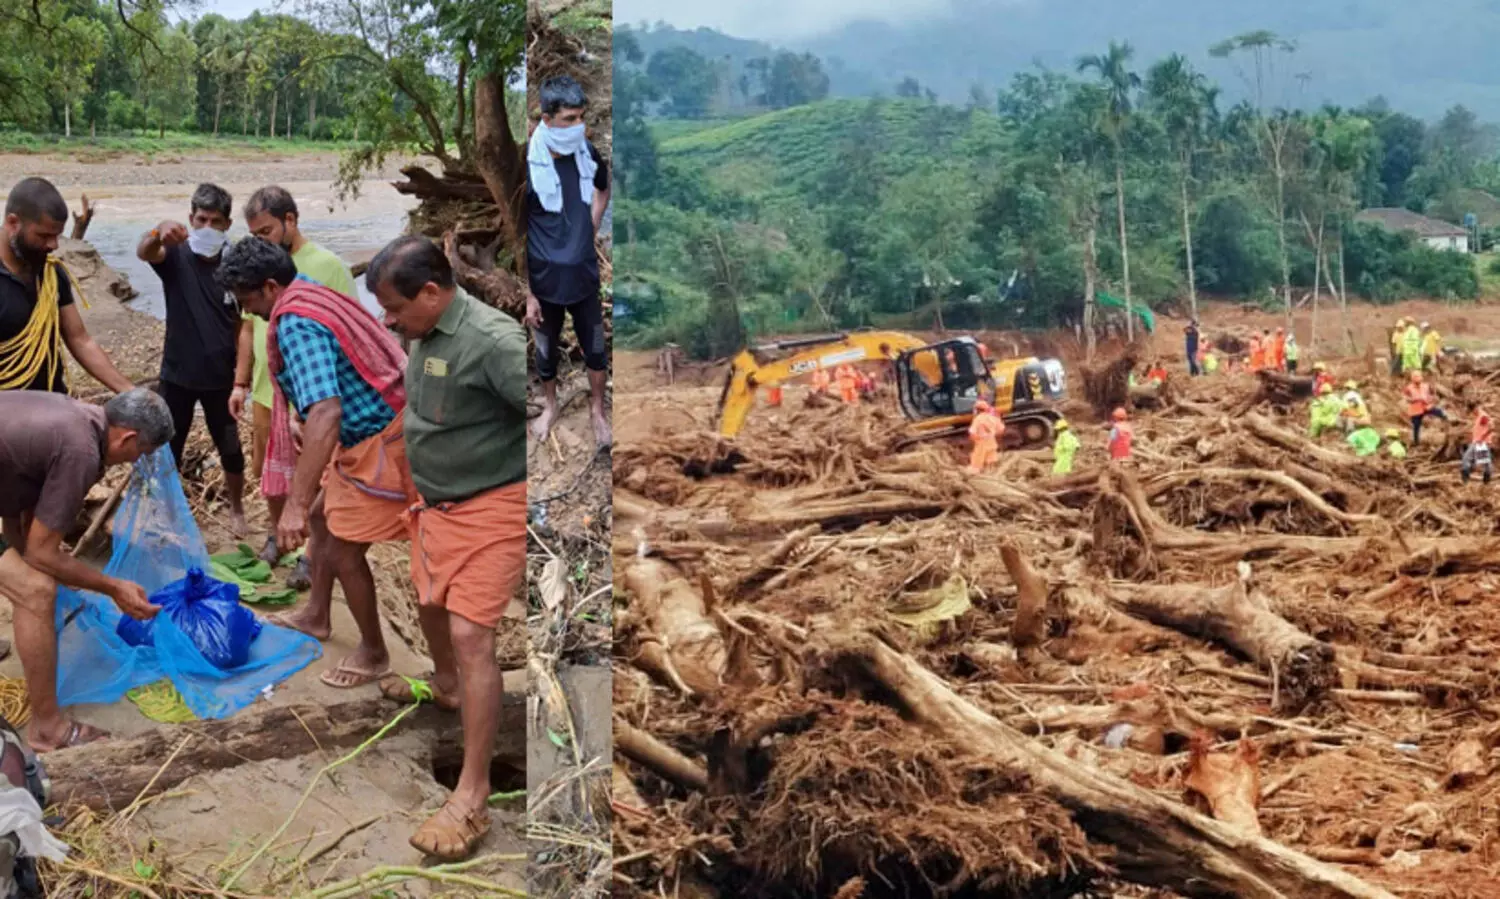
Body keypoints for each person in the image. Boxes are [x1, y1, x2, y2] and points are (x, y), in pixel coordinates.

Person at [366, 236, 525, 860]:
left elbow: (548, 411)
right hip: (438, 508)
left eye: (394, 308)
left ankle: (473, 795)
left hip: (493, 507)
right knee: (429, 603)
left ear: (432, 293)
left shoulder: (496, 343)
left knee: (470, 634)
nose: (387, 321)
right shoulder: (425, 332)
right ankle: (448, 686)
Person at [216, 237, 413, 690]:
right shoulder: (307, 288)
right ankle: (317, 614)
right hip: (377, 427)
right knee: (325, 521)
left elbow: (326, 412)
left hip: (382, 439)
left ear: (270, 287)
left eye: (248, 300)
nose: (249, 312)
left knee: (343, 549)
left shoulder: (296, 323)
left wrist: (295, 505)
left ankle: (374, 652)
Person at [0, 388, 171, 750]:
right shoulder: (81, 452)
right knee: (35, 592)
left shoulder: (75, 417)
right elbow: (41, 553)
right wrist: (112, 587)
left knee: (29, 577)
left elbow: (22, 516)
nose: (135, 461)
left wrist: (49, 565)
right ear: (128, 438)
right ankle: (48, 729)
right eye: (141, 453)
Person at [232, 186, 359, 585]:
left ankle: (309, 554)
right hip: (269, 393)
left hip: (314, 396)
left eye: (266, 231)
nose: (262, 241)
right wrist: (240, 383)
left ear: (290, 220)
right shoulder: (255, 272)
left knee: (317, 476)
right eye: (254, 234)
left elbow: (348, 329)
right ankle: (279, 535)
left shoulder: (326, 267)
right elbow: (248, 328)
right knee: (271, 476)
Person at [136, 183, 247, 537]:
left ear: (227, 224)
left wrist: (242, 377)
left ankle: (237, 509)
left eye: (216, 221)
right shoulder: (175, 255)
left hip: (221, 377)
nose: (207, 227)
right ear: (190, 218)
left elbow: (243, 322)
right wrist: (157, 230)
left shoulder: (235, 262)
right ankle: (165, 510)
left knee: (230, 448)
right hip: (177, 374)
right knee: (168, 445)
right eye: (201, 219)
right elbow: (144, 251)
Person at [526, 74, 611, 449]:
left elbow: (603, 187)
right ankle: (550, 406)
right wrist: (528, 294)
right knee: (546, 352)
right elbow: (518, 232)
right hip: (544, 283)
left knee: (596, 348)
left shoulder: (585, 153)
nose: (579, 126)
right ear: (547, 119)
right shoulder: (528, 166)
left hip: (584, 277)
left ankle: (597, 410)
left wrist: (591, 226)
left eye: (581, 117)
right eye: (570, 119)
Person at [0, 178, 132, 395]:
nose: (54, 245)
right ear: (13, 223)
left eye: (57, 236)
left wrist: (129, 390)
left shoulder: (50, 273)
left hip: (51, 402)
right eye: (44, 236)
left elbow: (79, 339)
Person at [1402, 371, 1446, 445]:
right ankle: (1416, 442)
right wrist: (1412, 399)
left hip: (1426, 406)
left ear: (1421, 377)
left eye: (1418, 376)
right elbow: (1405, 396)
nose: (1417, 378)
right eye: (1415, 377)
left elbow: (1432, 395)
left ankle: (1449, 423)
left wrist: (1431, 402)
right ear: (1412, 379)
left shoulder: (1426, 386)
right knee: (1416, 426)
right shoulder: (1409, 387)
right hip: (1416, 409)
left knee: (1439, 412)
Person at [966, 399, 1003, 473]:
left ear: (977, 410)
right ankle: (991, 474)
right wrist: (991, 435)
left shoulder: (978, 419)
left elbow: (972, 433)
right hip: (992, 443)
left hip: (981, 445)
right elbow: (1001, 430)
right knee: (991, 463)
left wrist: (976, 439)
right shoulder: (993, 418)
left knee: (976, 466)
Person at [1463, 403, 1493, 485]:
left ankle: (1486, 481)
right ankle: (1466, 479)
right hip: (1477, 442)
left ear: (1475, 408)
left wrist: (1482, 438)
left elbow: (1491, 428)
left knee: (1485, 463)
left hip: (1482, 443)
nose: (1472, 413)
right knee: (1467, 458)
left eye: (1472, 411)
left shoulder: (1483, 416)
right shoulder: (1478, 417)